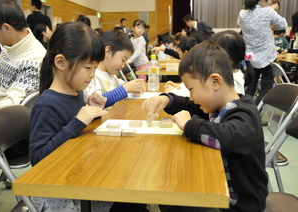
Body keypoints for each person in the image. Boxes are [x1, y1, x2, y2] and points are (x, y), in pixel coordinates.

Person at [29, 21, 147, 212]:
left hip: (81, 172)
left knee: (133, 188)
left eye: (95, 68)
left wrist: (90, 110)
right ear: (61, 63)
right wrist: (77, 122)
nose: (92, 75)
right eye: (88, 68)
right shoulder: (46, 104)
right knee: (130, 197)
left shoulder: (76, 92)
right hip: (63, 191)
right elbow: (38, 159)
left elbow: (75, 134)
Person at [143, 40, 268, 212]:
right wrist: (168, 99)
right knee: (171, 193)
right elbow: (190, 106)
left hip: (238, 205)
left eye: (191, 89)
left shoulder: (245, 114)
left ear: (215, 82)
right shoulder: (218, 107)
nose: (192, 96)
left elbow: (227, 136)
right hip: (219, 191)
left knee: (172, 196)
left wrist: (189, 125)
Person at [0, 0, 46, 203]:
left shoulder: (34, 59)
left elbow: (10, 104)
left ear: (5, 27)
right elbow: (1, 72)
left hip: (13, 132)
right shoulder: (12, 46)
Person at [238, 0, 287, 105]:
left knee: (250, 86)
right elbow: (284, 24)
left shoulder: (242, 13)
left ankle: (244, 110)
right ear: (262, 1)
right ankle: (255, 112)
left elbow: (241, 24)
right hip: (267, 57)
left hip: (251, 57)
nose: (270, 2)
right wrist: (272, 26)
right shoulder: (267, 11)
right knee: (266, 88)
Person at [84, 30, 145, 108]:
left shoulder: (110, 73)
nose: (123, 66)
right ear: (108, 52)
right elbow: (97, 102)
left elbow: (118, 83)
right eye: (123, 60)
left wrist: (133, 85)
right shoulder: (92, 75)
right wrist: (125, 88)